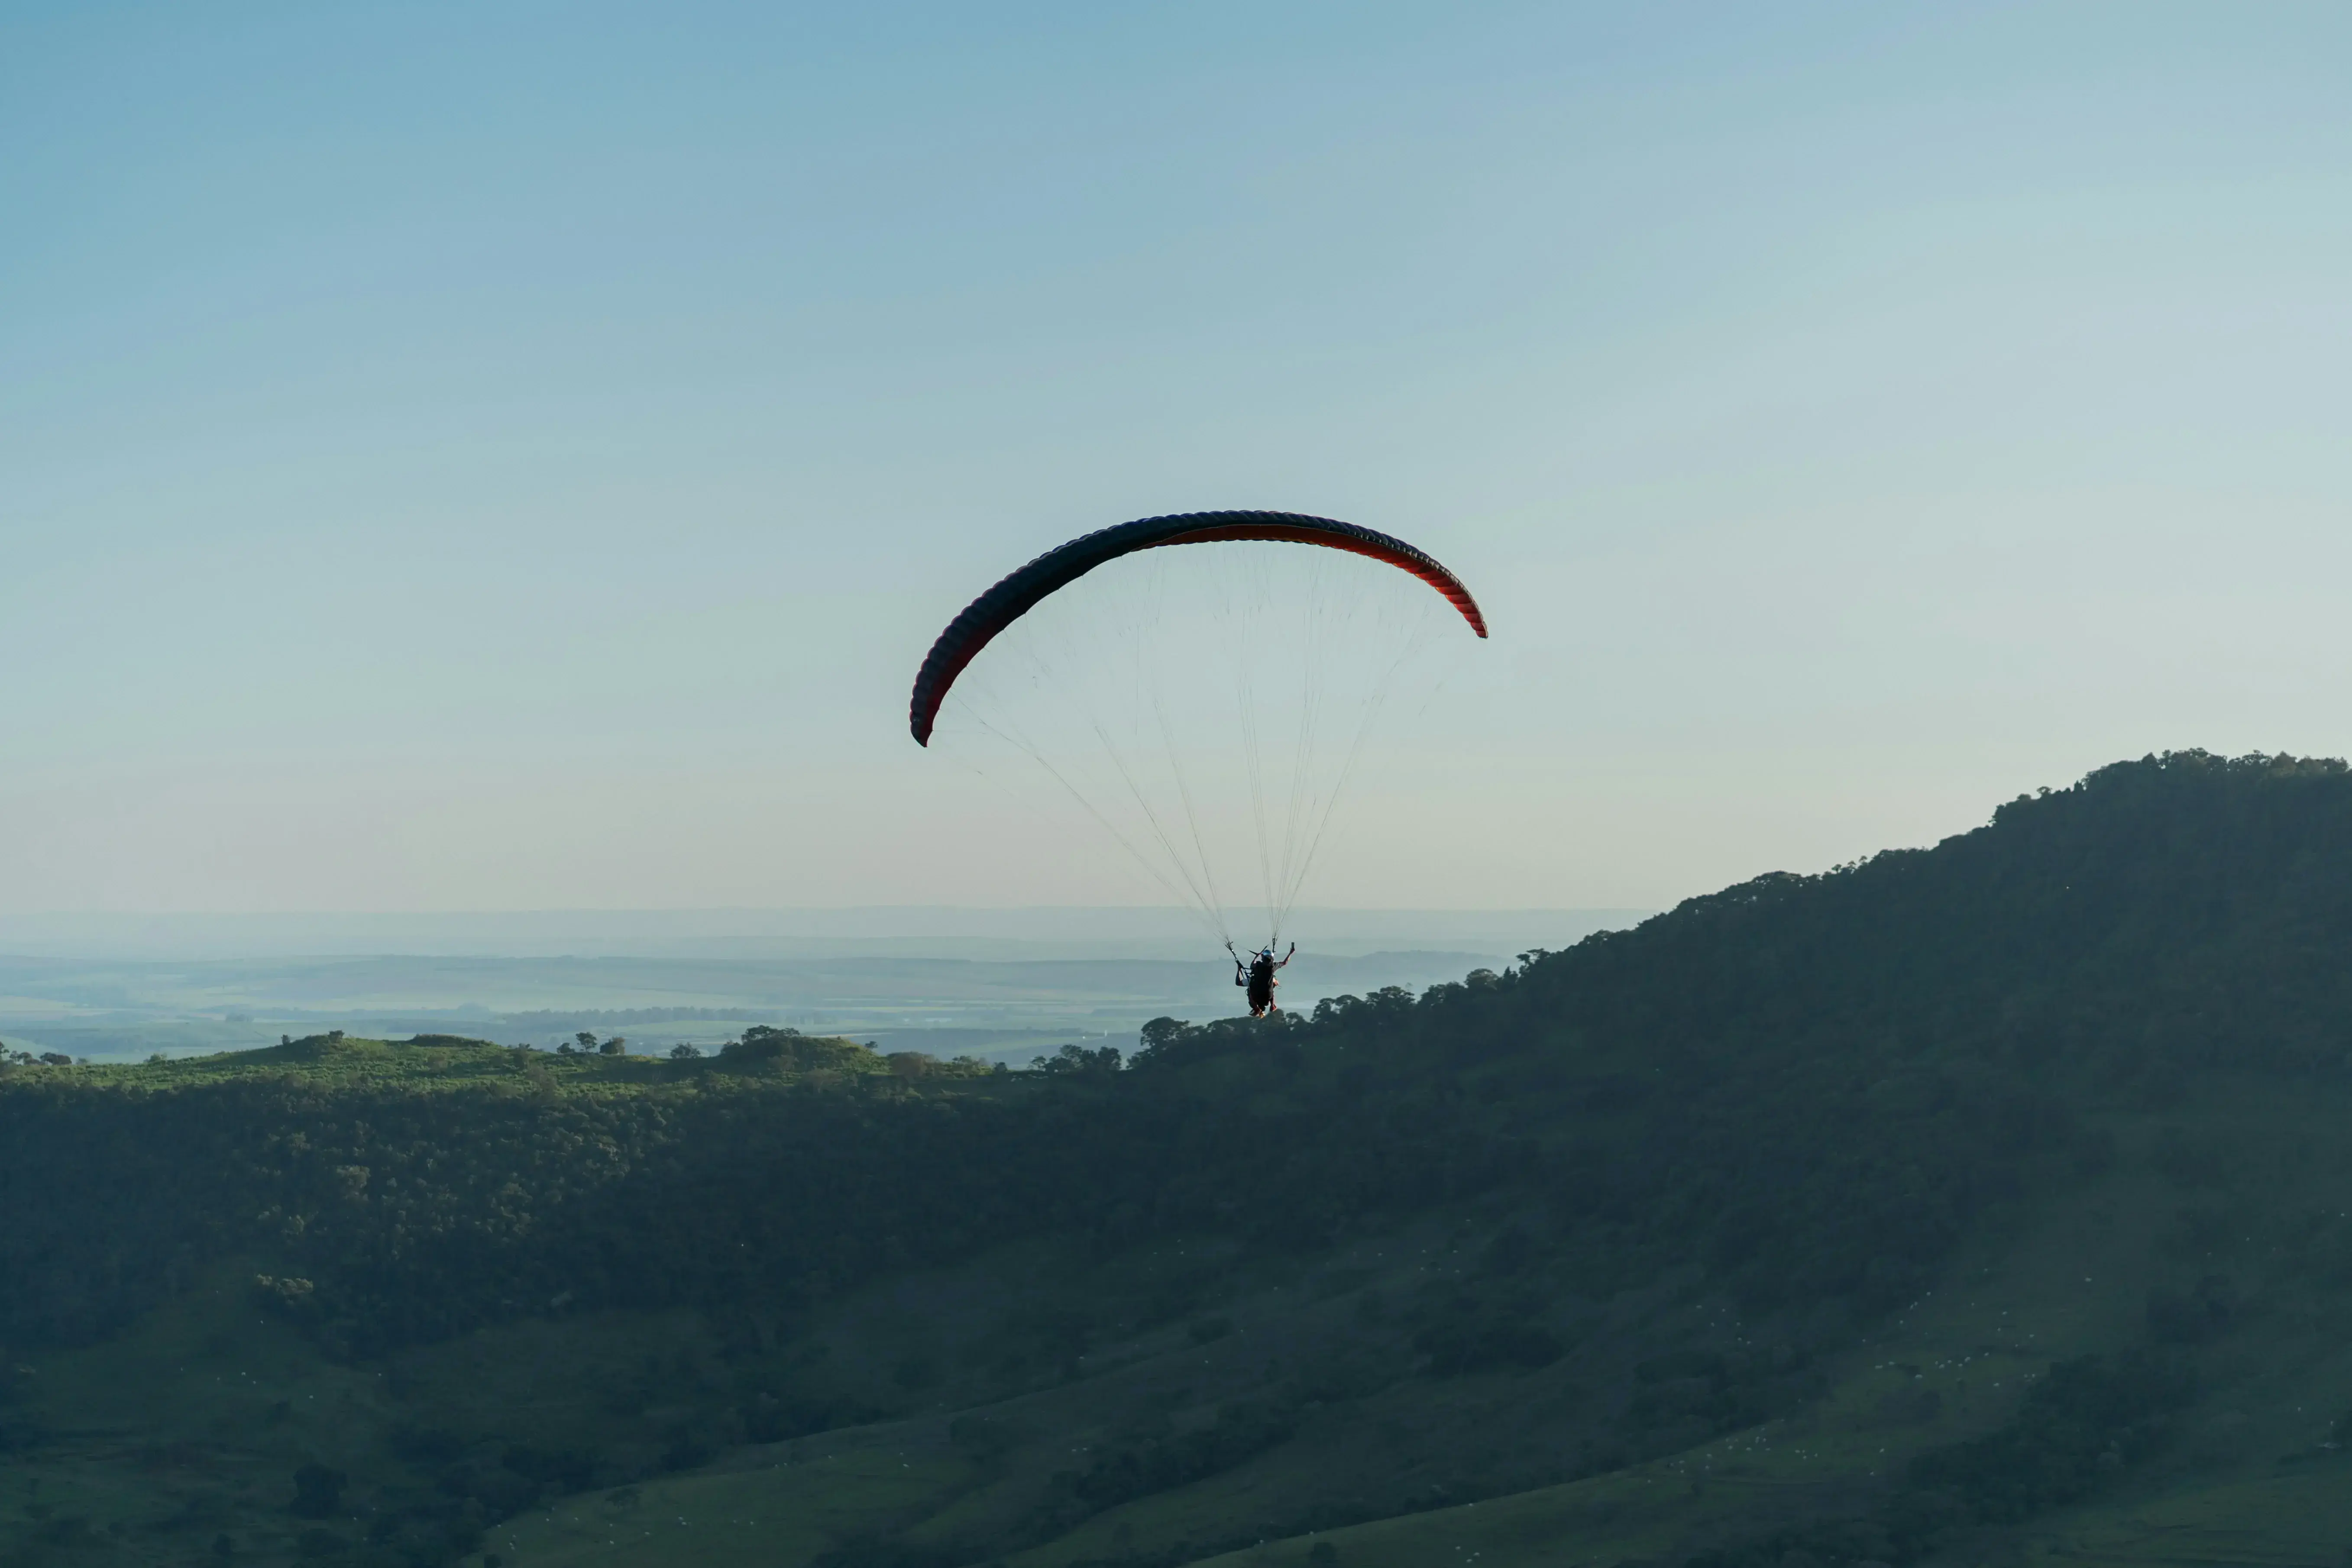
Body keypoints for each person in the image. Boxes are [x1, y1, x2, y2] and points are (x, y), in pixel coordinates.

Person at [1230, 941, 1295, 1018]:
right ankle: (1272, 1005)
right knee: (1274, 984)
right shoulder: (1273, 966)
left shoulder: (1258, 965)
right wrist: (1291, 953)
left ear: (1263, 958)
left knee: (1246, 988)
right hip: (1268, 995)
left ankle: (1256, 1009)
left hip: (1256, 991)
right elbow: (1285, 963)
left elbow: (1251, 966)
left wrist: (1240, 969)